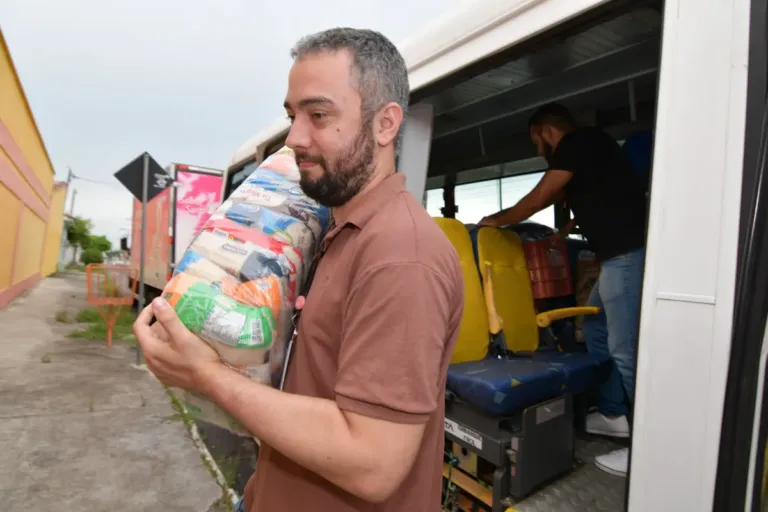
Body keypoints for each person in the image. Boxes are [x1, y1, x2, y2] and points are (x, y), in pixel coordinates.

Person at [133, 27, 464, 511]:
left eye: (318, 115)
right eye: (292, 116)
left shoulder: (400, 255)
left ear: (386, 124)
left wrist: (206, 375)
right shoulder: (335, 227)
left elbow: (373, 463)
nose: (294, 138)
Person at [478, 103, 647, 477]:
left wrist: (496, 221)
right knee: (599, 328)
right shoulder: (597, 144)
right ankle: (613, 413)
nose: (538, 149)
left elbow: (541, 196)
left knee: (626, 349)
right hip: (616, 257)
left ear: (545, 132)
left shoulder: (573, 142)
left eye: (536, 141)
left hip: (625, 256)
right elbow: (604, 193)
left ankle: (651, 446)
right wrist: (565, 230)